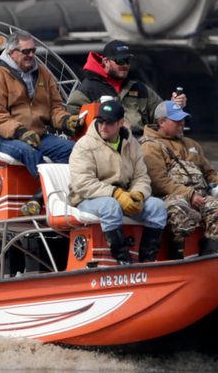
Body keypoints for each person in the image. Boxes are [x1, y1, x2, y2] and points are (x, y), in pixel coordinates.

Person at [67, 99, 167, 265]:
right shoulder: (84, 145)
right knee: (110, 206)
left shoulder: (132, 144)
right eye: (100, 121)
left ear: (121, 123)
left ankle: (147, 262)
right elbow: (82, 183)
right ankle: (123, 260)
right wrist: (115, 193)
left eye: (109, 123)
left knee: (157, 207)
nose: (103, 127)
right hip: (86, 198)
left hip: (124, 196)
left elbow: (141, 176)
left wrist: (138, 194)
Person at [0, 32, 83, 178]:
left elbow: (55, 107)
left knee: (74, 150)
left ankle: (65, 188)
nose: (31, 55)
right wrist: (20, 132)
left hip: (38, 136)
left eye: (33, 50)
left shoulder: (43, 73)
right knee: (30, 152)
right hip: (4, 139)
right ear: (11, 52)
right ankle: (44, 194)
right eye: (26, 51)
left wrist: (65, 120)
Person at [140, 101, 218, 257]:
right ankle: (176, 257)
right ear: (161, 122)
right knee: (180, 211)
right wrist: (189, 194)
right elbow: (159, 182)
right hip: (169, 197)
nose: (182, 123)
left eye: (183, 119)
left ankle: (208, 254)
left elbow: (208, 171)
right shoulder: (149, 146)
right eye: (176, 120)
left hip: (199, 196)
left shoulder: (191, 144)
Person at [66, 40, 188, 132]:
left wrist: (173, 106)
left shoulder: (140, 88)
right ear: (106, 62)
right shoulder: (88, 89)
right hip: (106, 143)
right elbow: (72, 118)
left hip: (143, 143)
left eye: (127, 60)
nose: (124, 65)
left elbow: (161, 117)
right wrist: (112, 124)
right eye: (119, 61)